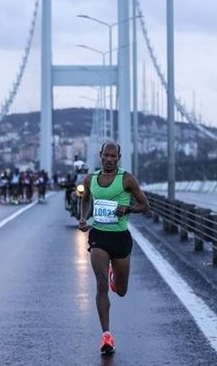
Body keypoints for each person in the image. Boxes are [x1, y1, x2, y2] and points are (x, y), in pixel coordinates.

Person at [77, 141, 150, 355]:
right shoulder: (90, 179)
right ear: (100, 155)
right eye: (106, 155)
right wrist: (83, 217)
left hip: (120, 238)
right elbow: (86, 199)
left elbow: (145, 205)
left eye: (113, 156)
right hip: (99, 235)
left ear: (118, 158)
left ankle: (113, 278)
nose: (109, 159)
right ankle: (106, 335)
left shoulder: (126, 179)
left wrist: (127, 209)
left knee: (121, 291)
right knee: (100, 283)